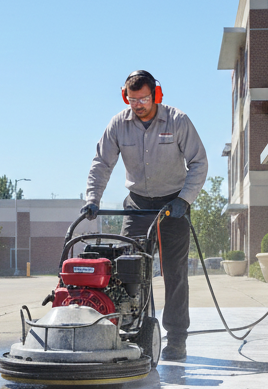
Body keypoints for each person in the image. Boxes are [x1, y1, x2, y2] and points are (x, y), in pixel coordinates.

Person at [81, 70, 208, 360]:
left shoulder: (178, 121)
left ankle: (177, 339)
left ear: (156, 95)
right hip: (138, 206)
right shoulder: (118, 124)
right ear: (125, 96)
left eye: (144, 99)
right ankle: (130, 330)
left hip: (173, 207)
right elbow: (101, 163)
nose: (138, 105)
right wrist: (92, 199)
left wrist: (184, 199)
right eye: (132, 99)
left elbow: (199, 162)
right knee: (128, 270)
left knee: (175, 274)